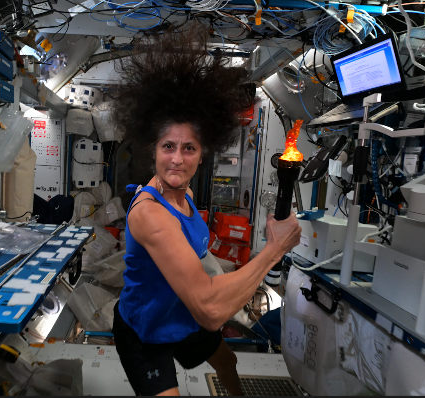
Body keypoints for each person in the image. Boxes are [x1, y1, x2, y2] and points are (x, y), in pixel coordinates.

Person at [109, 26, 302, 396]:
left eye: (189, 148)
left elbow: (195, 259)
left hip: (180, 316)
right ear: (153, 149)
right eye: (168, 146)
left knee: (227, 362)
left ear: (203, 153)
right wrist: (274, 250)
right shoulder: (150, 212)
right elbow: (210, 312)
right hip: (144, 330)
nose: (177, 159)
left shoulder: (183, 199)